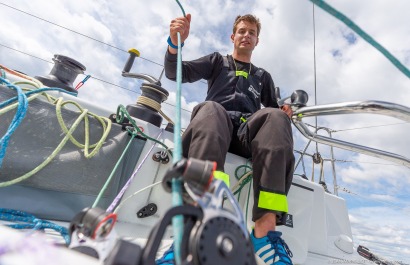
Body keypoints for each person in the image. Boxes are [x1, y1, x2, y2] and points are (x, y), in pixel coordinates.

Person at [158, 14, 295, 265]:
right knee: (210, 109)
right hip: (214, 128)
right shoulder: (216, 61)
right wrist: (175, 43)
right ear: (233, 36)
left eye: (251, 32)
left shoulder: (263, 76)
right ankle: (194, 228)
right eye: (242, 31)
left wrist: (285, 112)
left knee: (276, 117)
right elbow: (175, 71)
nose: (246, 35)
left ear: (257, 41)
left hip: (245, 136)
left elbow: (273, 111)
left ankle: (265, 233)